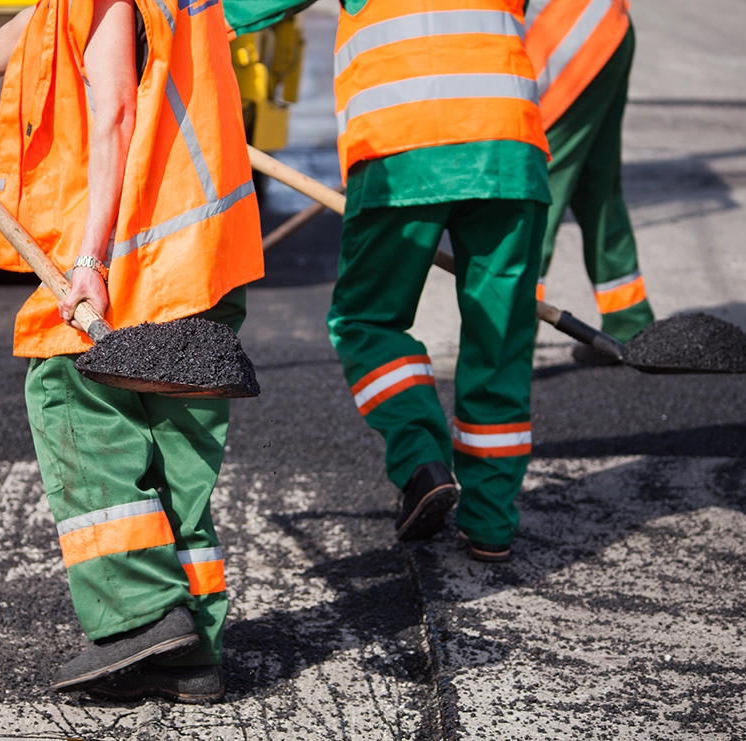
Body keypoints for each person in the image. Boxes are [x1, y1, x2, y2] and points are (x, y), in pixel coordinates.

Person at [0, 0, 263, 703]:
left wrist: (89, 257)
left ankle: (141, 614)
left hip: (136, 258)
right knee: (177, 455)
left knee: (69, 401)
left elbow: (113, 109)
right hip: (204, 259)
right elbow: (41, 22)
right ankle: (193, 655)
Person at [227, 0, 552, 562]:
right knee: (499, 339)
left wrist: (154, 22)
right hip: (508, 146)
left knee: (366, 319)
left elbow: (247, 7)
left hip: (402, 150)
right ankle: (491, 523)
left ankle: (421, 457)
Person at [524, 0, 654, 361]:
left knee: (532, 194)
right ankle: (629, 320)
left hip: (565, 42)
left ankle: (510, 346)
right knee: (596, 186)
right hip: (601, 27)